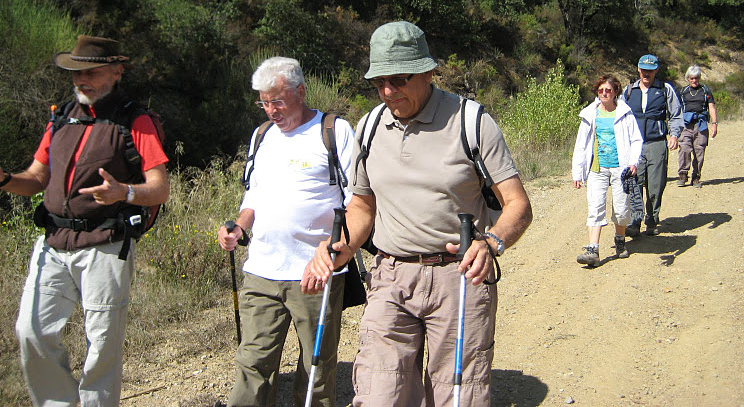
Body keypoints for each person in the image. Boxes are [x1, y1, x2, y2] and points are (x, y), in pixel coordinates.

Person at [302, 21, 532, 406]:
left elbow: (518, 205)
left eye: (399, 79)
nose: (388, 92)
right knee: (380, 396)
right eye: (379, 83)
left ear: (428, 71)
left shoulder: (471, 123)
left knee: (457, 397)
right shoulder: (371, 126)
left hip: (459, 278)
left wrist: (491, 244)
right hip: (391, 277)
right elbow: (362, 204)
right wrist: (341, 244)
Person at [2, 35, 170, 407]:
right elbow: (35, 179)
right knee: (31, 331)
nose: (81, 80)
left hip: (106, 245)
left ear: (116, 72)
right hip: (54, 242)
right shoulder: (62, 117)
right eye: (76, 73)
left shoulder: (134, 120)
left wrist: (123, 192)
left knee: (102, 345)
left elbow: (159, 189)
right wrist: (4, 180)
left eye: (90, 72)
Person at [216, 56, 355, 407]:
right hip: (262, 270)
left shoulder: (334, 131)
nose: (270, 110)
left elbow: (358, 201)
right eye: (263, 102)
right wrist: (238, 227)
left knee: (316, 368)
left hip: (315, 272)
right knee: (252, 362)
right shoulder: (261, 136)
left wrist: (335, 252)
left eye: (277, 100)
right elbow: (254, 195)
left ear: (301, 92)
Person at [572, 75, 643, 266]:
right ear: (597, 91)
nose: (604, 93)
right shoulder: (589, 114)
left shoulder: (625, 113)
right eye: (601, 90)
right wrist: (577, 172)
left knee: (621, 210)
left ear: (615, 92)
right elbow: (581, 145)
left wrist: (633, 162)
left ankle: (620, 241)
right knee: (595, 207)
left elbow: (636, 139)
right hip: (597, 168)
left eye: (608, 90)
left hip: (621, 168)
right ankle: (592, 248)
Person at [620, 54, 683, 237]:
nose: (646, 73)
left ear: (656, 70)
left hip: (657, 142)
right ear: (638, 69)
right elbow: (620, 117)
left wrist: (674, 135)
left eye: (650, 69)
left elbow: (675, 114)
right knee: (634, 183)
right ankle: (634, 221)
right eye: (643, 69)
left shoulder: (665, 89)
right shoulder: (629, 91)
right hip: (634, 145)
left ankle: (652, 220)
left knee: (656, 184)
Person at [677, 65, 718, 188]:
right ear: (688, 79)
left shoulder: (705, 91)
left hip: (701, 125)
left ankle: (696, 177)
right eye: (691, 78)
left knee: (699, 151)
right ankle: (683, 174)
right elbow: (676, 109)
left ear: (699, 78)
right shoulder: (683, 91)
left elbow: (711, 107)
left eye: (696, 78)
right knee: (684, 148)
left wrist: (714, 124)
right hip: (686, 125)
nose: (694, 81)